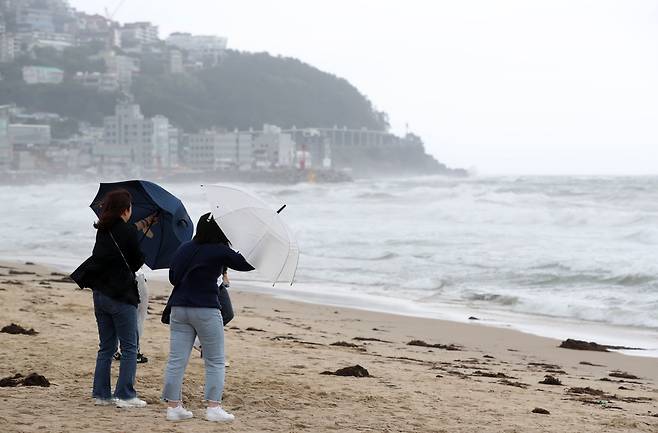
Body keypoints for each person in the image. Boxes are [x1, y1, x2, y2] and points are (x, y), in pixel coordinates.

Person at [162, 213, 254, 422]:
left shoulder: (184, 247)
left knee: (176, 361)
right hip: (205, 309)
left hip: (179, 308)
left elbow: (173, 277)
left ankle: (173, 407)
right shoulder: (220, 250)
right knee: (215, 361)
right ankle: (213, 408)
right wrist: (257, 247)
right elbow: (246, 264)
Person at [71, 189, 147, 408]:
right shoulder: (128, 231)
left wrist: (144, 224)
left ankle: (101, 394)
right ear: (126, 209)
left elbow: (112, 255)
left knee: (106, 347)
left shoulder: (103, 230)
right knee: (130, 347)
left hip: (100, 294)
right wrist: (141, 252)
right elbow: (135, 263)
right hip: (121, 296)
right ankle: (125, 395)